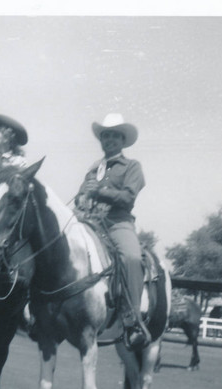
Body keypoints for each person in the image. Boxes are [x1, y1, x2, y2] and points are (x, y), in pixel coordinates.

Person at [75, 113, 149, 350]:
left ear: (122, 139)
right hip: (90, 222)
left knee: (131, 257)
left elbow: (128, 197)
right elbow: (80, 197)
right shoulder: (94, 168)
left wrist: (99, 192)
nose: (109, 140)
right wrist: (82, 197)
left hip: (118, 223)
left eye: (114, 136)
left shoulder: (132, 166)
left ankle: (133, 320)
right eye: (105, 136)